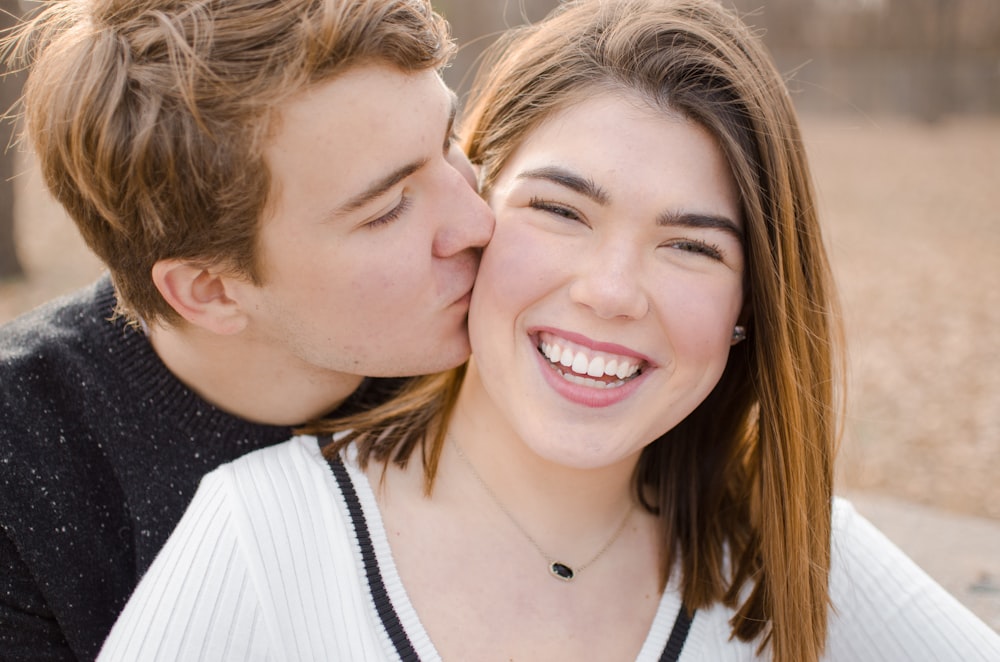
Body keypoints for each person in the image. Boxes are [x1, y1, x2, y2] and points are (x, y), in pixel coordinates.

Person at [98, 0, 1000, 660]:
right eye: (562, 211)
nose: (611, 292)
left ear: (747, 311)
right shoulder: (265, 533)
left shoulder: (792, 558)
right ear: (475, 205)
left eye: (689, 246)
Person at [0, 0, 494, 659]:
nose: (479, 221)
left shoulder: (517, 347)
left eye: (449, 140)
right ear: (209, 291)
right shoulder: (23, 468)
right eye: (389, 209)